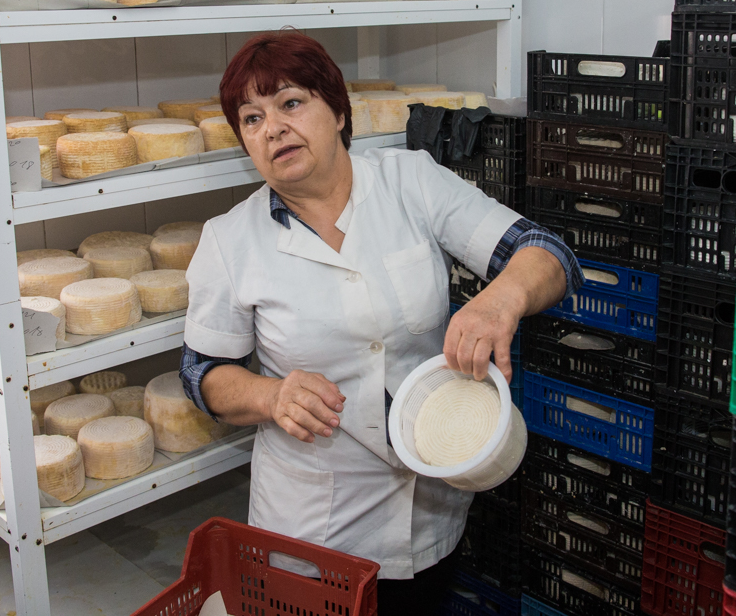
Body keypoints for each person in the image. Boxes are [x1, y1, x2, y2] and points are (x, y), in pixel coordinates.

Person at [179, 31, 582, 614]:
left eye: (291, 103)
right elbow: (202, 372)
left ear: (339, 111)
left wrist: (503, 298)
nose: (273, 129)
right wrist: (271, 396)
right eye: (252, 118)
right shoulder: (228, 240)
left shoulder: (410, 181)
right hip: (312, 530)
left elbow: (548, 253)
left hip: (429, 507)